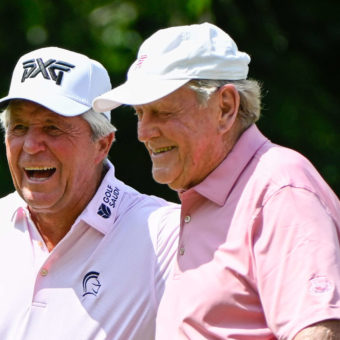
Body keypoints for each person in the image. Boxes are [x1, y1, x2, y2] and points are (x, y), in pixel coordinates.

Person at [93, 22, 340, 339]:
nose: (143, 133)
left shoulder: (279, 188)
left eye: (162, 112)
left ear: (225, 107)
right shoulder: (207, 196)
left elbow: (320, 332)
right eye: (140, 113)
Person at [0, 46, 180, 340]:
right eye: (19, 127)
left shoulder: (165, 237)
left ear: (102, 144)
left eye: (53, 128)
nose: (31, 145)